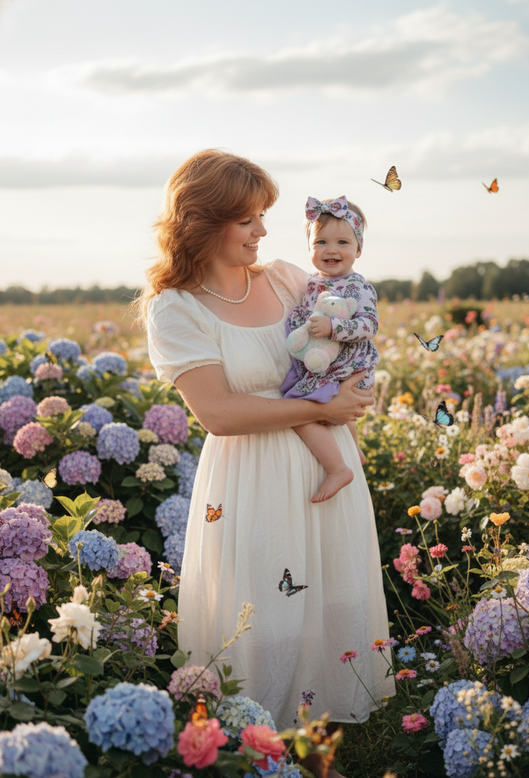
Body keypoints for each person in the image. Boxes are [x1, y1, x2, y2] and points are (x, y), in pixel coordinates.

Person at [140, 150, 395, 768]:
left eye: (262, 217)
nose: (262, 231)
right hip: (251, 477)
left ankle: (333, 740)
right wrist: (325, 410)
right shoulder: (176, 307)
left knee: (332, 592)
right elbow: (219, 413)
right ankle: (257, 744)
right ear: (204, 222)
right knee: (265, 607)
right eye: (248, 219)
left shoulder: (284, 278)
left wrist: (354, 390)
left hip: (327, 462)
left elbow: (343, 341)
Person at [281, 195, 379, 503]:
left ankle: (338, 468)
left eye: (342, 242)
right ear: (309, 248)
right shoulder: (312, 282)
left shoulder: (358, 287)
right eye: (321, 242)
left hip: (347, 366)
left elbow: (369, 325)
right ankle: (355, 452)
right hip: (329, 362)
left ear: (358, 249)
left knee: (297, 410)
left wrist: (334, 329)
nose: (331, 250)